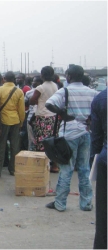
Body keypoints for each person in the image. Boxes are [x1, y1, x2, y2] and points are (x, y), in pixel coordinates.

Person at [45, 65, 97, 212]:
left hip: (68, 134)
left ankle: (60, 203)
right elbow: (98, 109)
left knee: (66, 168)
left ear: (68, 76)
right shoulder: (92, 92)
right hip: (86, 132)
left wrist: (62, 113)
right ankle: (86, 203)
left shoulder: (65, 91)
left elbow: (49, 104)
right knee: (84, 169)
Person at [0, 71, 25, 177]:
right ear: (14, 79)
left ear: (4, 79)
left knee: (1, 146)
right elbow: (21, 109)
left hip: (3, 121)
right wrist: (21, 122)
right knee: (15, 146)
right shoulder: (19, 91)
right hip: (15, 120)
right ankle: (13, 169)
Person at [29, 67, 59, 173]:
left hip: (42, 116)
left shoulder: (40, 88)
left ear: (42, 75)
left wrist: (38, 101)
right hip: (53, 117)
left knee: (41, 142)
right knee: (52, 140)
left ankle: (42, 166)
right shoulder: (55, 86)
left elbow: (32, 101)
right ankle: (55, 165)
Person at [90, 89, 107, 249]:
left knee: (104, 213)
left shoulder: (101, 98)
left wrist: (92, 163)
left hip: (105, 159)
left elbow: (96, 137)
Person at [24, 76, 43, 151]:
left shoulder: (29, 92)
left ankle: (31, 153)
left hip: (31, 118)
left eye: (34, 81)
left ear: (39, 83)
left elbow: (25, 103)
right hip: (42, 118)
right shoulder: (45, 91)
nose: (32, 83)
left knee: (31, 139)